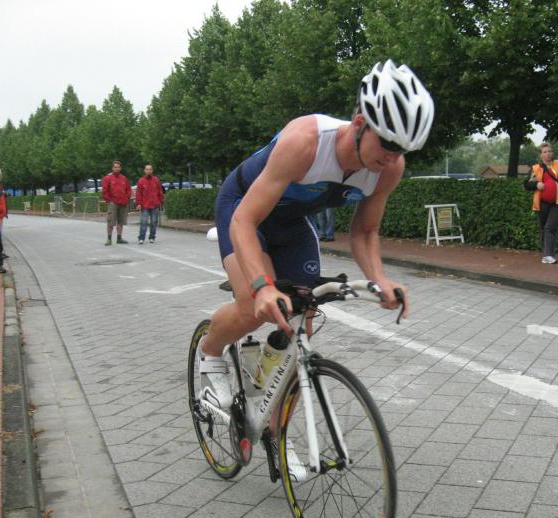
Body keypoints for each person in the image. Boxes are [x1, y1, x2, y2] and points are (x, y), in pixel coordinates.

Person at [197, 59, 434, 477]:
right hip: (242, 209)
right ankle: (210, 351)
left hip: (290, 225)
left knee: (300, 322)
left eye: (402, 150)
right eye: (387, 143)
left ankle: (275, 431)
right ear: (360, 123)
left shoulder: (389, 169)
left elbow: (365, 231)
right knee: (255, 305)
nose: (392, 157)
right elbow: (245, 221)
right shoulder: (306, 141)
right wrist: (263, 286)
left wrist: (379, 280)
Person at [524, 142, 558, 264]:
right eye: (545, 152)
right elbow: (526, 184)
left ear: (552, 153)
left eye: (549, 151)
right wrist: (536, 184)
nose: (548, 154)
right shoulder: (535, 168)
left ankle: (548, 255)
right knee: (544, 228)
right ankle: (546, 253)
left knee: (549, 227)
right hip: (541, 203)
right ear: (541, 155)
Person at [102, 160, 132, 245]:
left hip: (123, 203)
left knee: (121, 221)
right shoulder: (108, 178)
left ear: (120, 168)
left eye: (118, 167)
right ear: (112, 168)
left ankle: (119, 238)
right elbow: (105, 191)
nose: (117, 169)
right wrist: (109, 200)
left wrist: (126, 198)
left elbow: (128, 190)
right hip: (113, 203)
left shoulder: (124, 178)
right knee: (110, 221)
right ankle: (109, 239)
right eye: (115, 167)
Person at [136, 164, 165, 244]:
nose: (149, 171)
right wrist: (138, 203)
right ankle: (141, 238)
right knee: (143, 222)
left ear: (152, 171)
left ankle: (152, 237)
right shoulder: (141, 181)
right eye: (147, 169)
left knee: (154, 222)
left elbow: (160, 191)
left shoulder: (156, 180)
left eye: (150, 169)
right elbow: (138, 193)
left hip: (155, 204)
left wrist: (161, 201)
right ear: (144, 171)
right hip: (145, 205)